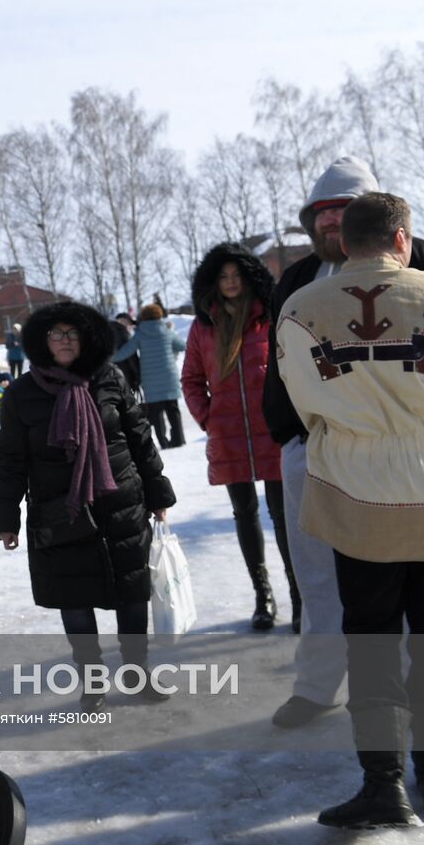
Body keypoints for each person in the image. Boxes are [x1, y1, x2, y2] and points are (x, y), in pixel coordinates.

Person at [276, 192, 424, 827]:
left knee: (371, 642)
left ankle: (383, 783)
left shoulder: (300, 306)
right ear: (402, 239)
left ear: (343, 242)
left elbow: (302, 401)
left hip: (355, 490)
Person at [0, 301, 176, 713]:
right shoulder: (22, 393)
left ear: (86, 338)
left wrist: (158, 494)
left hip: (122, 506)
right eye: (55, 333)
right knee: (74, 602)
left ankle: (137, 671)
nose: (64, 340)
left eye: (72, 333)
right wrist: (6, 518)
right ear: (41, 341)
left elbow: (140, 438)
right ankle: (92, 682)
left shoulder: (109, 378)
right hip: (60, 514)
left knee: (132, 595)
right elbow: (10, 461)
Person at [181, 243, 297, 631]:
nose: (230, 282)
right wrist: (209, 419)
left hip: (273, 432)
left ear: (249, 278)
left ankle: (299, 595)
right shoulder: (203, 326)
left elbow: (291, 368)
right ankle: (263, 596)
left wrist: (288, 416)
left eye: (236, 275)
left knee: (283, 515)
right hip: (229, 435)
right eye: (223, 276)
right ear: (212, 282)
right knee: (244, 514)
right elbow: (191, 379)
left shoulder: (269, 318)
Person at [112, 303, 185, 447]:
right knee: (173, 409)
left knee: (156, 413)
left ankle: (163, 442)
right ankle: (178, 440)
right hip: (169, 377)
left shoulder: (140, 334)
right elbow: (182, 346)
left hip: (150, 381)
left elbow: (124, 353)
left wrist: (109, 358)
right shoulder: (167, 331)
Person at [110, 313, 142, 396]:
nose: (130, 327)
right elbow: (132, 360)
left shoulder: (104, 334)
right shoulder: (124, 335)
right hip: (124, 378)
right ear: (123, 322)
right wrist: (137, 378)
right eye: (130, 324)